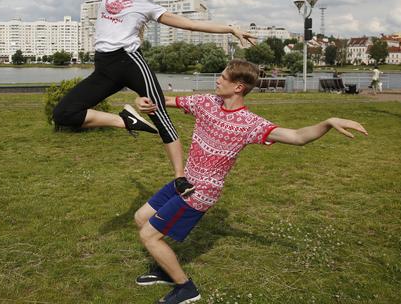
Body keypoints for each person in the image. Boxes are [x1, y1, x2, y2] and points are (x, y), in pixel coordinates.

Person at [54, 0, 257, 196]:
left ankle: (180, 177)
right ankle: (126, 121)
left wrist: (229, 27)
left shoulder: (148, 5)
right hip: (104, 64)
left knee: (159, 109)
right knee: (65, 113)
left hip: (129, 61)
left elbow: (189, 25)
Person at [133, 59, 368, 304]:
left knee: (149, 235)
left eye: (223, 77)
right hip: (184, 180)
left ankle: (186, 289)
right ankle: (165, 269)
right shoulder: (205, 102)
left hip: (201, 191)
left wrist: (328, 122)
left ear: (238, 87)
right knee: (141, 217)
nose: (217, 79)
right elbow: (162, 102)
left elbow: (298, 136)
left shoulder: (250, 123)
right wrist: (144, 102)